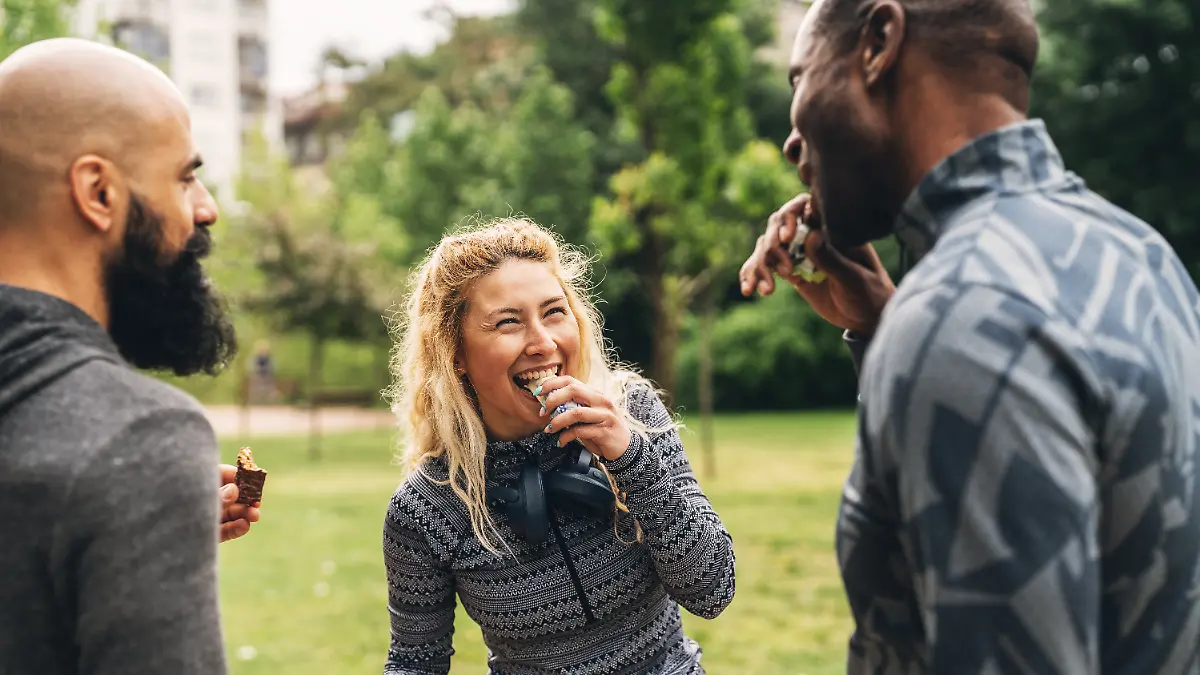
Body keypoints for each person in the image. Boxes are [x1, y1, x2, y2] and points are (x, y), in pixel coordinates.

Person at [740, 0, 1200, 672]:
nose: (790, 138)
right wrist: (884, 325)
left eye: (799, 79)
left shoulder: (961, 317)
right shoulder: (1142, 253)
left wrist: (920, 327)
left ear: (878, 43)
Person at [0, 38, 260, 675]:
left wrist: (125, 531)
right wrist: (134, 475)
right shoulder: (140, 437)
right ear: (99, 192)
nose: (207, 209)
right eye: (184, 176)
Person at [382, 218, 735, 674]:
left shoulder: (634, 415)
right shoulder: (427, 509)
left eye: (554, 312)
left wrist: (631, 459)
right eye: (508, 322)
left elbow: (712, 590)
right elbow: (414, 664)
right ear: (456, 355)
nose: (543, 342)